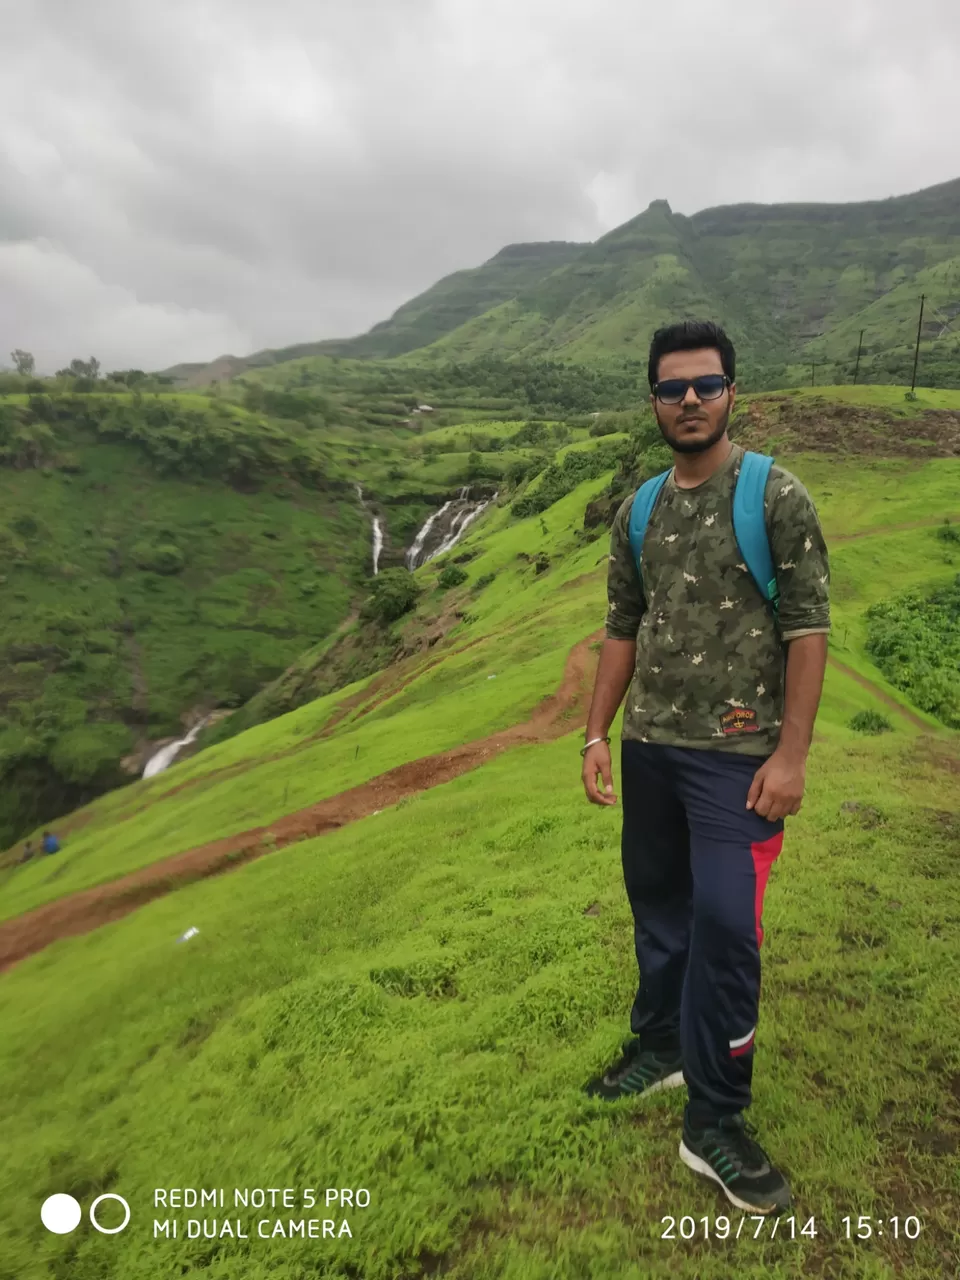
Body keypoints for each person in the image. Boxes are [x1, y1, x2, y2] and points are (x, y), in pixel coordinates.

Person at [580, 320, 830, 1216]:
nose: (689, 400)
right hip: (649, 748)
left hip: (739, 760)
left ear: (733, 391)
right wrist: (595, 735)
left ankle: (714, 1120)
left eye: (706, 384)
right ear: (651, 398)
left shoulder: (774, 495)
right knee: (658, 907)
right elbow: (621, 628)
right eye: (672, 387)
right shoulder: (638, 508)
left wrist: (793, 756)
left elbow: (808, 630)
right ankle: (662, 1044)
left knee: (727, 928)